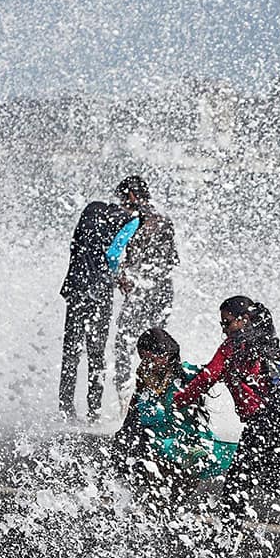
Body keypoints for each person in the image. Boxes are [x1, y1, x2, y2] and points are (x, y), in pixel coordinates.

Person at [173, 296, 280, 518]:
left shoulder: (233, 347)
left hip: (262, 424)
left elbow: (209, 376)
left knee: (236, 485)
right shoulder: (267, 342)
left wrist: (177, 401)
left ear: (243, 319)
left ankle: (226, 537)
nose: (224, 329)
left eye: (227, 323)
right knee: (266, 476)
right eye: (222, 324)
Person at [113, 327, 235, 500]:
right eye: (142, 358)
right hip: (155, 445)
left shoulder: (187, 374)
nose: (145, 363)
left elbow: (216, 373)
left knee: (178, 491)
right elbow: (133, 414)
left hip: (188, 444)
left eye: (150, 358)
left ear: (165, 354)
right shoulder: (144, 378)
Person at [58, 182, 138, 423]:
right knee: (96, 352)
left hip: (75, 286)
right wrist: (117, 278)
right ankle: (93, 410)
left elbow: (76, 246)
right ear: (133, 197)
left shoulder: (91, 209)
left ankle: (65, 409)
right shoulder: (131, 220)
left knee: (71, 351)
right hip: (99, 291)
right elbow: (113, 254)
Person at [112, 176, 179, 412]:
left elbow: (122, 256)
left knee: (124, 344)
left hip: (142, 293)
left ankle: (126, 402)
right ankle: (161, 399)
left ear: (131, 196)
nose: (121, 204)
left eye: (122, 199)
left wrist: (123, 276)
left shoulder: (135, 221)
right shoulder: (164, 219)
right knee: (159, 347)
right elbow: (172, 261)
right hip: (162, 292)